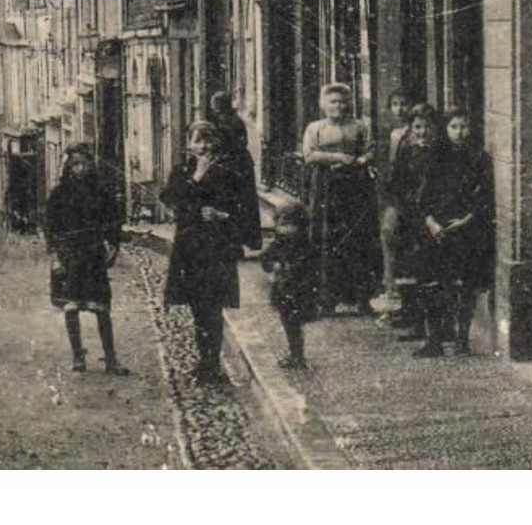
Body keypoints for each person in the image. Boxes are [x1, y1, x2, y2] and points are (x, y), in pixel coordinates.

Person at [161, 120, 261, 386]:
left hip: (218, 247)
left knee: (214, 309)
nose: (203, 146)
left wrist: (221, 215)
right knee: (197, 308)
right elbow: (172, 201)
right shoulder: (182, 171)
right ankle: (203, 362)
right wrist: (196, 177)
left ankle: (212, 365)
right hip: (190, 248)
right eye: (198, 140)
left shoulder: (229, 172)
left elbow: (243, 210)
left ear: (216, 143)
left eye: (208, 140)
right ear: (189, 145)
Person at [44, 142, 130, 375]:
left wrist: (113, 245)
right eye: (75, 165)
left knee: (101, 307)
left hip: (93, 255)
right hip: (69, 255)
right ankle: (77, 355)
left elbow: (113, 221)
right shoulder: (59, 194)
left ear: (91, 165)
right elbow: (50, 226)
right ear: (68, 167)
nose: (80, 169)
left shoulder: (102, 192)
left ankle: (111, 358)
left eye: (84, 164)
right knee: (71, 307)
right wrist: (56, 254)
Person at [417, 108, 493, 357]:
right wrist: (431, 222)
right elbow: (424, 194)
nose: (459, 132)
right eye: (454, 127)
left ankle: (462, 339)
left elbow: (485, 197)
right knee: (434, 284)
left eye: (464, 126)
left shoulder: (480, 158)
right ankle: (435, 340)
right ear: (445, 129)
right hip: (437, 228)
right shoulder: (435, 156)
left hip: (466, 230)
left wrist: (466, 220)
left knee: (465, 285)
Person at [300, 83, 376, 314]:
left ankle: (362, 298)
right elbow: (309, 155)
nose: (338, 106)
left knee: (357, 238)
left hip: (354, 186)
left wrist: (362, 160)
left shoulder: (359, 126)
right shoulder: (315, 128)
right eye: (333, 101)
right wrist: (337, 157)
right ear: (323, 105)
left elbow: (371, 149)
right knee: (327, 240)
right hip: (325, 186)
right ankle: (327, 299)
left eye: (342, 101)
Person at [389, 104, 442, 344]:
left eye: (427, 127)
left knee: (429, 272)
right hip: (410, 216)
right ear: (410, 129)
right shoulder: (407, 149)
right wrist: (399, 208)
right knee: (411, 270)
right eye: (417, 127)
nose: (422, 132)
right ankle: (416, 323)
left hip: (431, 218)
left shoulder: (440, 153)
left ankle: (435, 331)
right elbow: (397, 181)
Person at [261, 202, 320, 370]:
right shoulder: (279, 243)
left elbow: (309, 269)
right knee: (288, 322)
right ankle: (294, 353)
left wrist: (289, 268)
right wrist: (273, 266)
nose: (282, 229)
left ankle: (297, 356)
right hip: (283, 290)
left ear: (299, 226)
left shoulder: (306, 247)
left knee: (294, 323)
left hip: (299, 291)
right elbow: (265, 259)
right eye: (280, 224)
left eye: (287, 225)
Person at [375, 90, 414, 312]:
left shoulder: (415, 131)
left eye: (404, 104)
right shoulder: (390, 133)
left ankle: (401, 294)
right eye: (395, 104)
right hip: (391, 193)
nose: (399, 109)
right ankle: (390, 288)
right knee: (387, 235)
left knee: (398, 237)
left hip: (405, 194)